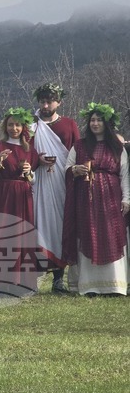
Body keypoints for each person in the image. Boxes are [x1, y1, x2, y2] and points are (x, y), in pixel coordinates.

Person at [62, 102, 130, 296]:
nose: (95, 123)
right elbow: (67, 168)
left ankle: (115, 285)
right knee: (88, 232)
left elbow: (124, 174)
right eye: (92, 120)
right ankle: (89, 285)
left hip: (111, 197)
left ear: (106, 123)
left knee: (112, 234)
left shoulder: (117, 147)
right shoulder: (80, 145)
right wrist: (74, 170)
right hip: (86, 198)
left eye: (99, 120)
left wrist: (127, 199)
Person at [30, 83, 81, 293]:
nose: (45, 104)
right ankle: (34, 277)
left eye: (49, 101)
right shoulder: (31, 125)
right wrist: (37, 159)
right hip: (38, 181)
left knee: (61, 226)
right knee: (38, 224)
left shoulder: (69, 124)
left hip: (62, 182)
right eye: (42, 101)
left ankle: (58, 278)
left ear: (58, 102)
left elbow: (78, 152)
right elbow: (22, 152)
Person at [0, 107, 40, 298]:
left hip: (23, 195)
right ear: (5, 126)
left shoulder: (29, 150)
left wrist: (28, 173)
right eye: (10, 124)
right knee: (2, 235)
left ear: (23, 127)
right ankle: (0, 282)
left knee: (22, 235)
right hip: (2, 193)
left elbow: (33, 179)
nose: (14, 128)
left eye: (18, 124)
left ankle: (23, 282)